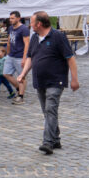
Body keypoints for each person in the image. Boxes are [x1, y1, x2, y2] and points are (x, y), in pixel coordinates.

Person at [17, 11, 80, 155]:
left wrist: (74, 79)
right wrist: (22, 74)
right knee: (47, 111)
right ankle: (56, 138)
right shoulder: (34, 38)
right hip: (40, 81)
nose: (30, 26)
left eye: (32, 23)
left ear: (39, 24)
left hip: (56, 80)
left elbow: (70, 58)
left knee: (50, 109)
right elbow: (30, 58)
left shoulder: (58, 37)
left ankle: (48, 142)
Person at [5, 11, 30, 105]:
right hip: (11, 55)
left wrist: (24, 58)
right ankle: (19, 89)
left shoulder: (24, 29)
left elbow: (27, 44)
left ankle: (21, 96)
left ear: (18, 18)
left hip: (20, 56)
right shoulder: (11, 27)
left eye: (13, 18)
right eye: (10, 18)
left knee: (21, 77)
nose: (10, 20)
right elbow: (9, 40)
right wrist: (7, 53)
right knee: (6, 74)